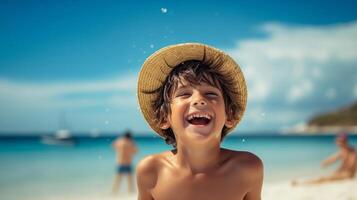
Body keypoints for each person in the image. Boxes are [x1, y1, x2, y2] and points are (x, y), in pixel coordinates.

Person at [136, 43, 263, 200]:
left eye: (210, 93)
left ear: (229, 115)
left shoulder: (247, 168)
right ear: (164, 118)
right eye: (184, 94)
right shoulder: (151, 171)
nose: (199, 100)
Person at [292, 133, 357, 185]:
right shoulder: (343, 151)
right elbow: (333, 158)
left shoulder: (351, 151)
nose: (337, 143)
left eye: (339, 141)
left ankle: (302, 183)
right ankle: (303, 182)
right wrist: (325, 163)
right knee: (324, 177)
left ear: (344, 142)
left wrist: (339, 169)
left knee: (323, 179)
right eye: (337, 141)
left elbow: (350, 165)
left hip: (347, 174)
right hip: (343, 173)